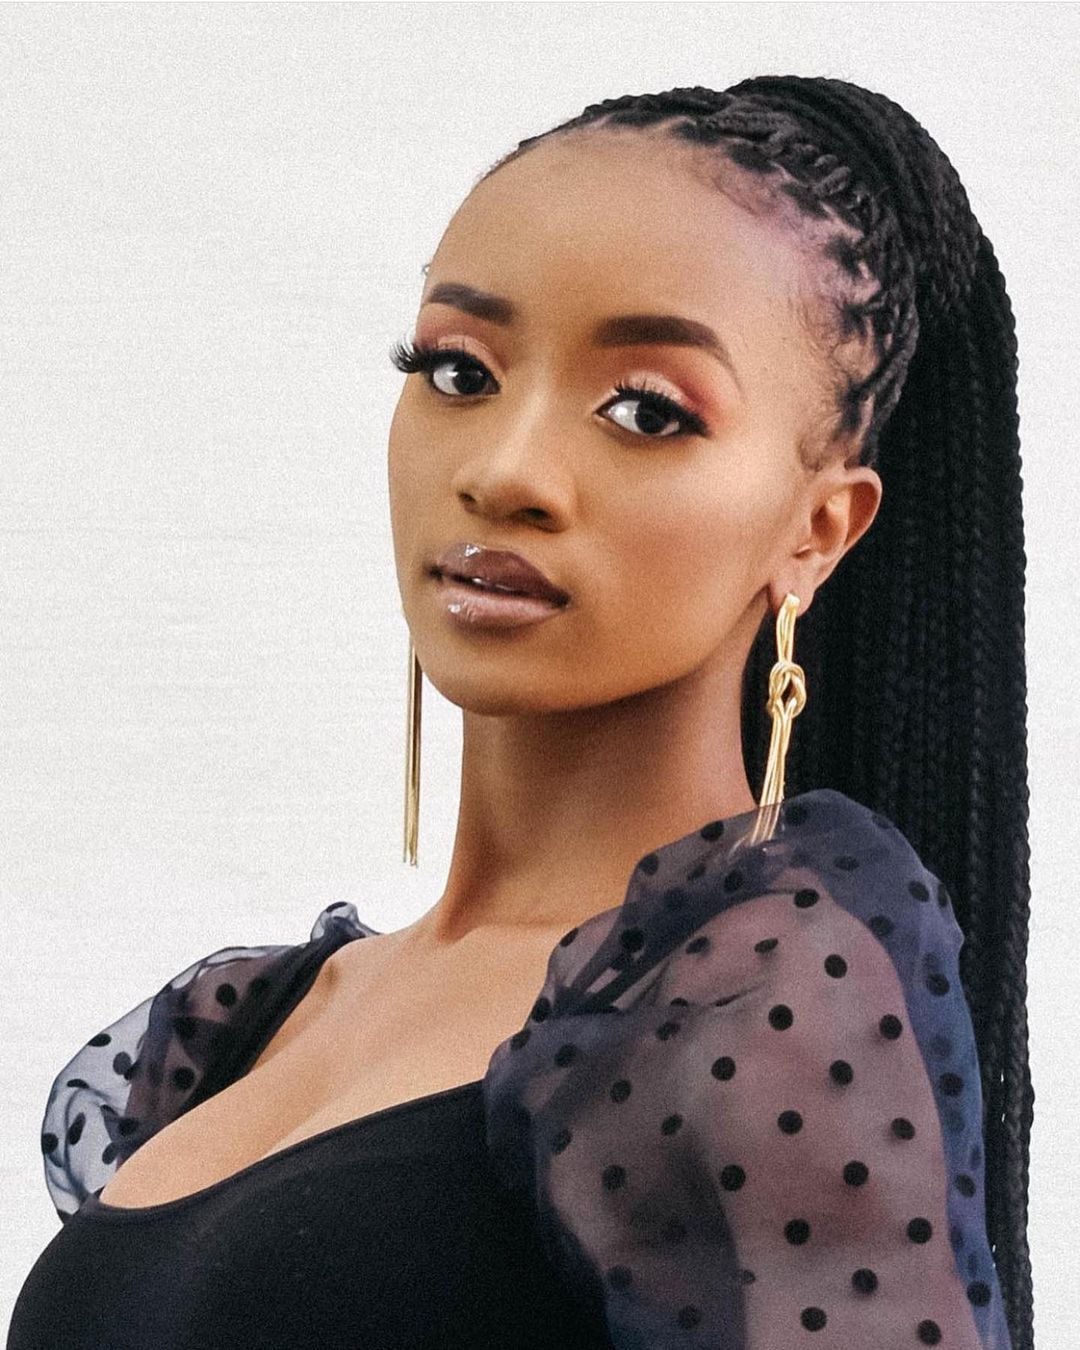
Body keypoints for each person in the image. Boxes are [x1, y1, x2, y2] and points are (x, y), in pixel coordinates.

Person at [8, 76, 1031, 1350]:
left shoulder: (755, 1003)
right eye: (459, 371)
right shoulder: (236, 1032)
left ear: (818, 531)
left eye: (646, 411)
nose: (503, 471)